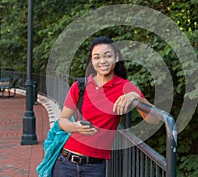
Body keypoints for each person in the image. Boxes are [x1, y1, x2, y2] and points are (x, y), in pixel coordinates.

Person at [52, 36, 158, 177]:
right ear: (92, 61)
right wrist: (76, 127)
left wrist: (136, 97)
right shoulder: (80, 86)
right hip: (64, 162)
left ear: (116, 57)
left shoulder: (125, 87)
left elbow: (155, 119)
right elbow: (62, 120)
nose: (102, 61)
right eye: (96, 57)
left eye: (107, 56)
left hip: (95, 168)